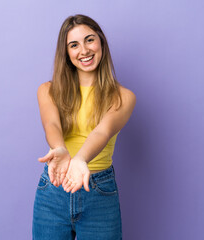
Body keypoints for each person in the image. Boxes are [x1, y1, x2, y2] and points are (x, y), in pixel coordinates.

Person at [32, 14, 136, 240]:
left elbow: (103, 130)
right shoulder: (47, 90)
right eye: (74, 45)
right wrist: (60, 149)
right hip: (53, 190)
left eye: (89, 40)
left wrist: (79, 160)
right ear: (67, 53)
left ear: (101, 42)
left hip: (99, 192)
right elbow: (52, 125)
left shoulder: (123, 97)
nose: (84, 50)